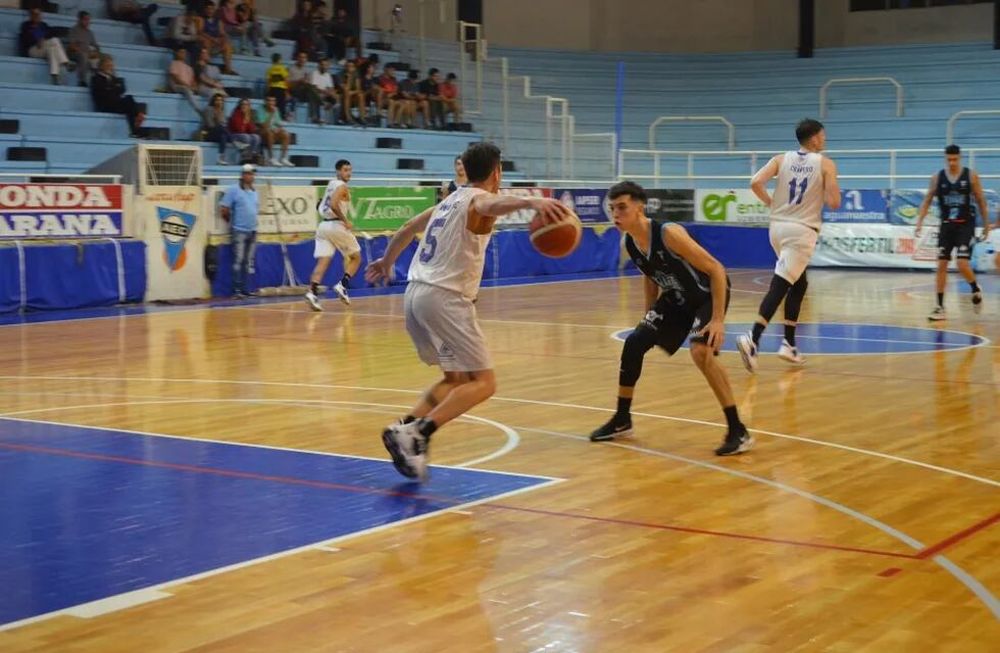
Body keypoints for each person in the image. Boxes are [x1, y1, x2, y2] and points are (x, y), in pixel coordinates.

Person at [365, 142, 573, 481]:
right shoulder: (478, 199)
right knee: (485, 383)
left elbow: (405, 230)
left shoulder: (447, 202)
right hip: (445, 300)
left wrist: (387, 261)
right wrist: (530, 200)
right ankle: (420, 432)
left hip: (415, 294)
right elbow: (491, 202)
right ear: (497, 172)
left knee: (456, 379)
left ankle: (402, 429)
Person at [587, 181, 753, 456]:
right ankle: (622, 420)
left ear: (640, 208)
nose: (616, 214)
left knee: (701, 352)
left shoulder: (669, 233)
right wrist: (648, 317)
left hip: (706, 295)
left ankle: (738, 430)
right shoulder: (630, 242)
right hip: (677, 299)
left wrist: (718, 320)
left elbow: (716, 270)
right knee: (634, 343)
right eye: (612, 208)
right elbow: (650, 277)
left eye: (622, 208)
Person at [737, 118, 840, 372]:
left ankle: (789, 344)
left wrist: (771, 203)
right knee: (780, 285)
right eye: (823, 135)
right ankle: (753, 339)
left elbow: (755, 182)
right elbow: (835, 202)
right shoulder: (826, 164)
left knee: (799, 283)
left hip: (777, 229)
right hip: (801, 232)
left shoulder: (780, 159)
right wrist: (829, 187)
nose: (824, 140)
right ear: (815, 138)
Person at [915, 144, 991, 320]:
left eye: (955, 159)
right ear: (945, 158)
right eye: (948, 159)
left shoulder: (971, 176)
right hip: (947, 225)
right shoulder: (937, 178)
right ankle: (940, 306)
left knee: (962, 264)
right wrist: (919, 221)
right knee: (941, 264)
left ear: (960, 157)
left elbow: (981, 200)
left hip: (965, 225)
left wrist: (986, 225)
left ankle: (974, 287)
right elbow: (927, 200)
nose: (952, 162)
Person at [305, 159, 358, 310]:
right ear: (338, 171)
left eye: (350, 170)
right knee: (356, 257)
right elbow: (334, 205)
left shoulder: (330, 184)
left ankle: (312, 292)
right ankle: (343, 285)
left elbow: (320, 204)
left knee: (323, 262)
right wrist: (345, 220)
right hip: (336, 225)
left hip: (323, 226)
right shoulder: (342, 187)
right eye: (345, 170)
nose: (349, 173)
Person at [219, 163, 259, 297]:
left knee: (247, 261)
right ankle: (237, 290)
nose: (251, 176)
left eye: (252, 174)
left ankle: (244, 289)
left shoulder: (254, 191)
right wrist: (232, 222)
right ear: (242, 175)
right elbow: (224, 208)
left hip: (252, 230)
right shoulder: (233, 190)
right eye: (248, 173)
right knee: (238, 260)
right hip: (239, 230)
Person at [91, 54, 146, 136]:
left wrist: (111, 88)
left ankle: (135, 128)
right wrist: (114, 88)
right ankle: (137, 116)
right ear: (102, 65)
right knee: (128, 103)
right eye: (108, 65)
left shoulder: (114, 78)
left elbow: (122, 90)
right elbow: (103, 93)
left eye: (111, 65)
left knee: (129, 100)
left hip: (115, 102)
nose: (110, 67)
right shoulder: (96, 78)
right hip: (104, 105)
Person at [18, 7, 69, 85]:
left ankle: (54, 74)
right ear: (31, 15)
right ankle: (65, 62)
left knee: (52, 49)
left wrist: (43, 38)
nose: (37, 16)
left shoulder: (43, 25)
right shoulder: (25, 25)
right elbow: (25, 39)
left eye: (38, 14)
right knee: (54, 41)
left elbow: (51, 32)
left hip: (44, 48)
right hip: (32, 49)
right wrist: (36, 41)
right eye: (35, 14)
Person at [200, 0, 236, 75]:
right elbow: (200, 32)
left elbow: (222, 32)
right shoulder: (201, 19)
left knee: (227, 45)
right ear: (205, 10)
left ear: (214, 10)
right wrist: (212, 38)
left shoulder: (218, 21)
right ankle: (206, 67)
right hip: (207, 43)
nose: (210, 11)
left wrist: (224, 38)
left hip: (216, 44)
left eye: (211, 9)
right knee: (206, 41)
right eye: (208, 9)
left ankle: (228, 68)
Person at [257, 94, 294, 167]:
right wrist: (271, 113)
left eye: (273, 101)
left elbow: (278, 123)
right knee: (269, 132)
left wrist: (278, 129)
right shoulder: (260, 109)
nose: (271, 102)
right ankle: (272, 158)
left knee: (286, 134)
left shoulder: (276, 109)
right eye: (269, 100)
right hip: (262, 132)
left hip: (273, 131)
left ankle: (283, 158)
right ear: (265, 101)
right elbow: (264, 125)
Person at [66, 11, 100, 87]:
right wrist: (84, 52)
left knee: (104, 57)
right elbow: (72, 46)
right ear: (80, 20)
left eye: (88, 20)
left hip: (87, 53)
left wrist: (95, 51)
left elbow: (95, 46)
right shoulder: (73, 30)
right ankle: (82, 80)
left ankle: (98, 81)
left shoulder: (90, 32)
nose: (88, 22)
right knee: (83, 55)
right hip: (74, 53)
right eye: (85, 19)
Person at [167, 47, 201, 112]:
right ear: (177, 53)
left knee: (200, 89)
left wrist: (194, 86)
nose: (184, 54)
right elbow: (175, 78)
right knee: (186, 89)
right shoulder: (174, 63)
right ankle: (198, 109)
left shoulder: (189, 68)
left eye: (185, 52)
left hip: (188, 87)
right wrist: (187, 86)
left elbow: (193, 81)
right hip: (177, 86)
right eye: (181, 52)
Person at [202, 93, 232, 164]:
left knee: (223, 136)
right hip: (209, 133)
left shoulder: (222, 111)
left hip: (221, 133)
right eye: (217, 100)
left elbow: (225, 124)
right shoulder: (209, 110)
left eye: (221, 100)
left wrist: (220, 116)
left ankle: (220, 158)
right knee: (221, 128)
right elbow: (210, 125)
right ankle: (234, 142)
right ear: (213, 101)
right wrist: (217, 118)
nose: (219, 102)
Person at [309, 57, 339, 124]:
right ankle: (319, 117)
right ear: (319, 65)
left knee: (336, 97)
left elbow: (331, 88)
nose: (324, 67)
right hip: (317, 93)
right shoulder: (314, 73)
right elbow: (314, 87)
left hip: (326, 94)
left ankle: (336, 121)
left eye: (326, 65)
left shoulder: (328, 75)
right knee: (316, 94)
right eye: (322, 65)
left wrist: (332, 93)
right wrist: (325, 92)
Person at [265, 52, 290, 118]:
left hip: (272, 89)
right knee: (281, 105)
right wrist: (287, 92)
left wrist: (268, 90)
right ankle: (281, 118)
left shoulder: (270, 69)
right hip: (281, 89)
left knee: (273, 104)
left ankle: (272, 117)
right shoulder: (282, 68)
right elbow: (286, 80)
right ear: (279, 60)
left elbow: (268, 81)